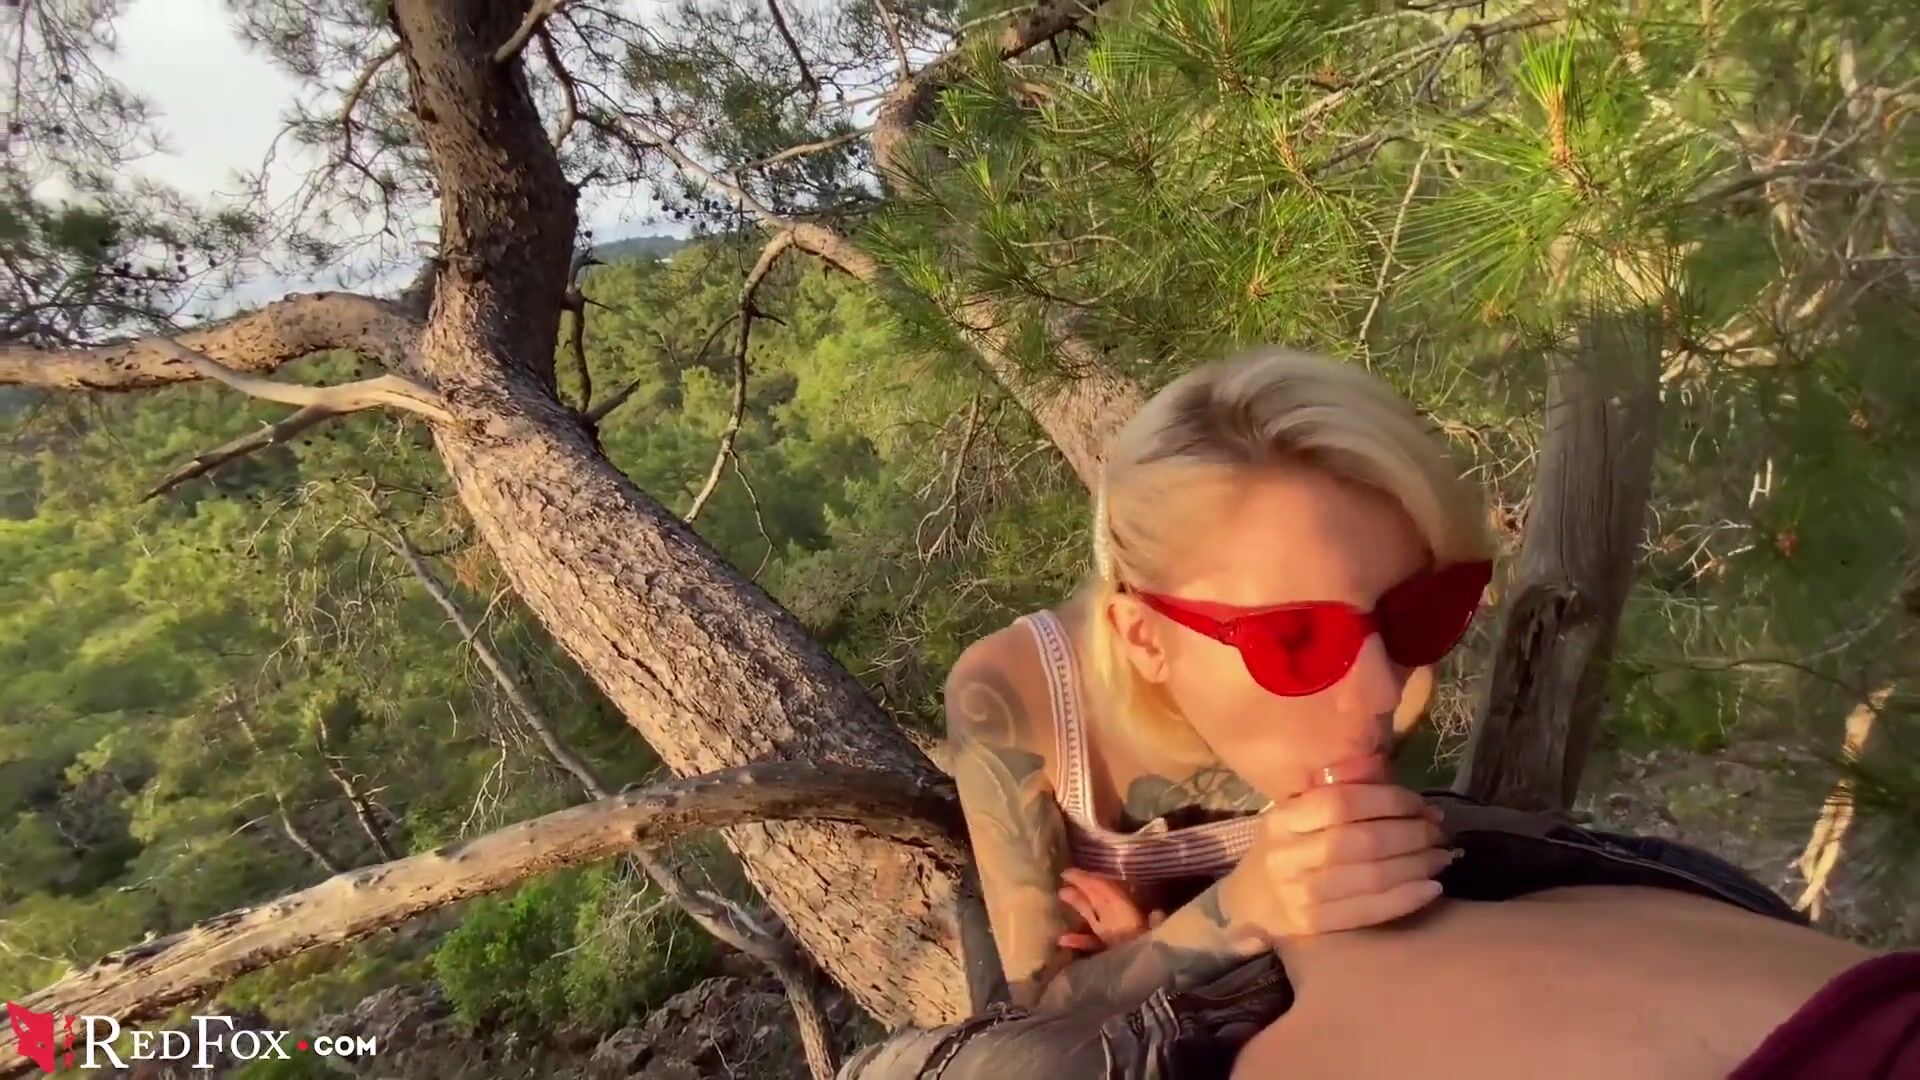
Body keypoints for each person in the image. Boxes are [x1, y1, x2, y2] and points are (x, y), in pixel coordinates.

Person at [944, 346, 1498, 1011]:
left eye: (1420, 612)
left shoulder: (1390, 667)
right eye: (1295, 640)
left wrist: (1147, 952)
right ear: (1144, 638)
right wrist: (1239, 912)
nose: (1388, 691)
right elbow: (1037, 1015)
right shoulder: (1016, 697)